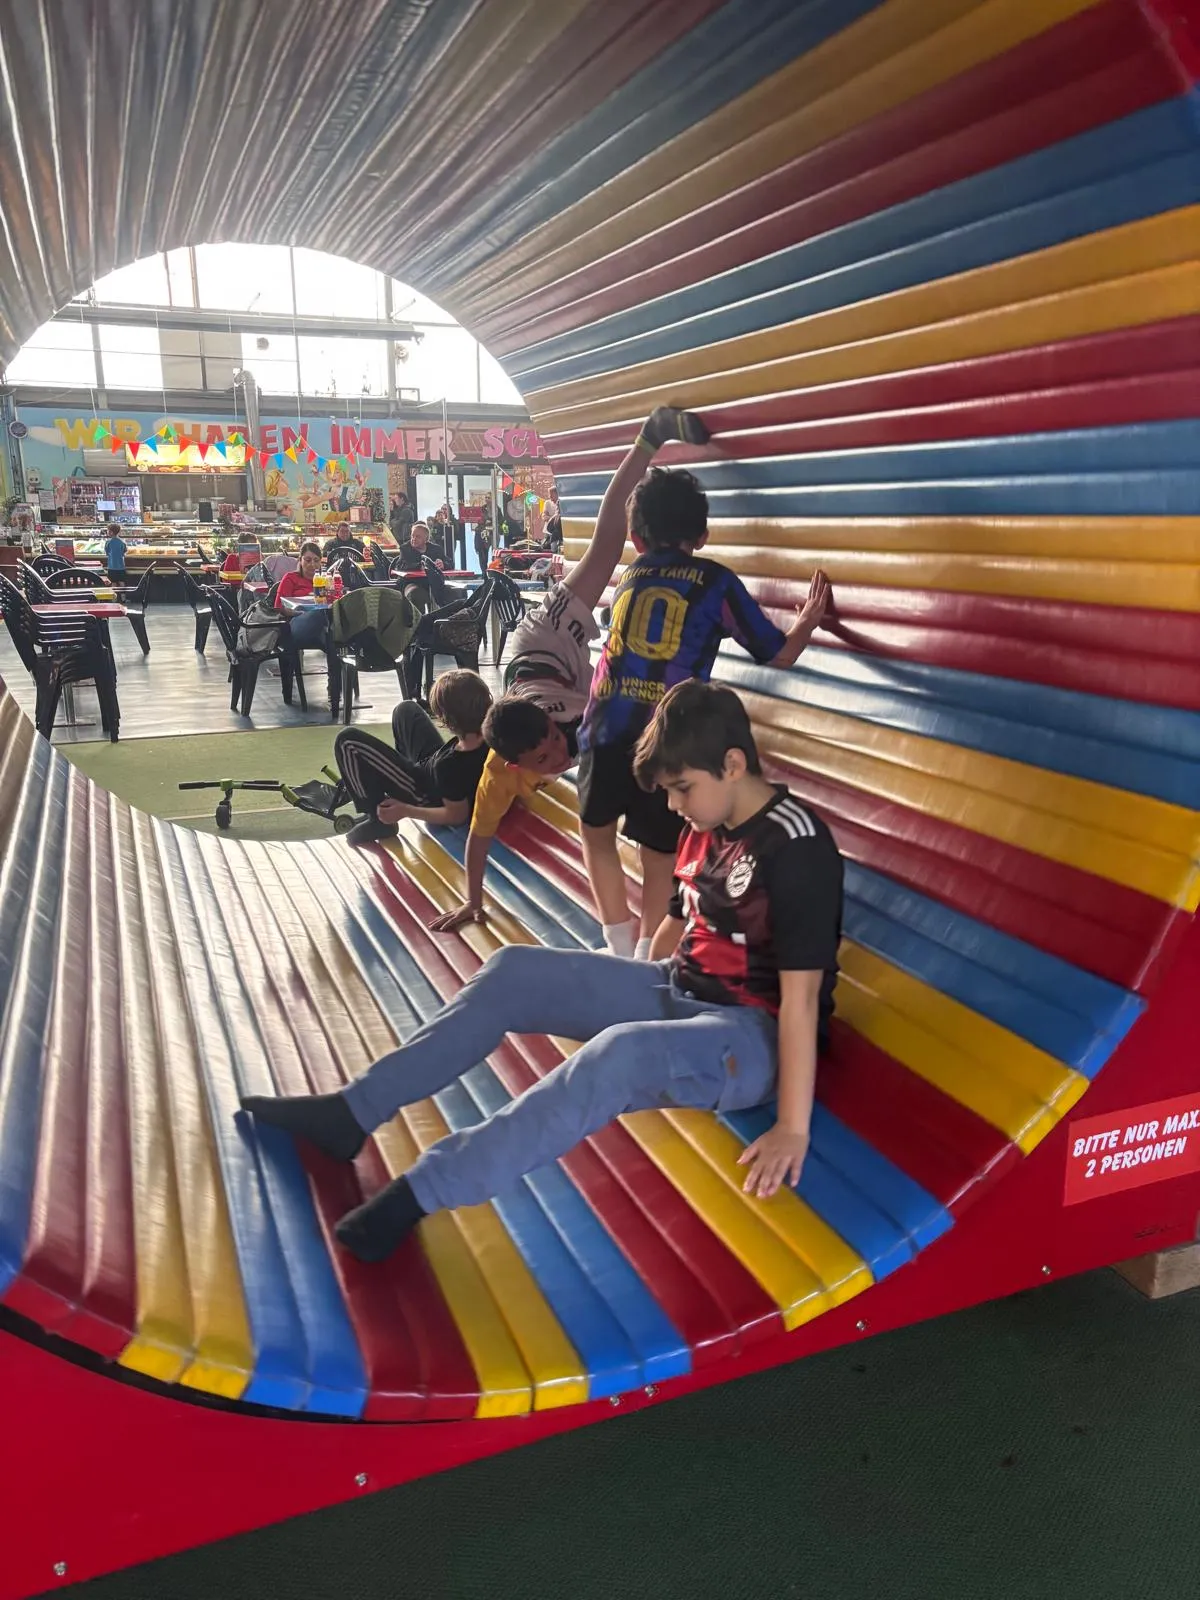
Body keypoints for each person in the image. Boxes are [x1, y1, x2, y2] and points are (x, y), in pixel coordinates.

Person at [239, 679, 844, 1263]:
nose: (673, 805)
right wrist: (634, 981)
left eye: (682, 789)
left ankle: (422, 1191)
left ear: (733, 765)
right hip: (681, 988)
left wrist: (792, 1127)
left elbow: (801, 999)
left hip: (753, 1036)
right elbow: (681, 925)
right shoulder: (707, 826)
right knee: (512, 971)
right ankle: (350, 1113)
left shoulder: (796, 847)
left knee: (621, 1053)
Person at [426, 405, 707, 934]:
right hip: (539, 681)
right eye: (546, 757)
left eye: (554, 747)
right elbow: (478, 836)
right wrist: (472, 901)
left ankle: (649, 439)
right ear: (514, 765)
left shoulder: (572, 717)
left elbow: (637, 711)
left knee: (605, 546)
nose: (558, 759)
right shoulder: (498, 771)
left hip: (541, 641)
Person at [579, 464, 831, 959]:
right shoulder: (714, 580)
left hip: (606, 725)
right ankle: (647, 952)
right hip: (667, 734)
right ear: (703, 534)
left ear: (635, 536)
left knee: (596, 831)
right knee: (660, 851)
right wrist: (806, 622)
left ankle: (616, 940)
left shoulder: (631, 575)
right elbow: (778, 654)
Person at [335, 669, 493, 847]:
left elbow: (456, 815)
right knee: (405, 709)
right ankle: (392, 782)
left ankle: (378, 819)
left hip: (422, 792)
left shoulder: (449, 765)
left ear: (447, 720)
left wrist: (405, 810)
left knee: (347, 741)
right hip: (432, 764)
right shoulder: (492, 740)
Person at [276, 540, 343, 649]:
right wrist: (299, 612)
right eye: (307, 560)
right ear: (300, 560)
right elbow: (279, 607)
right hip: (296, 622)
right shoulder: (290, 578)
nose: (312, 564)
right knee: (320, 613)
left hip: (325, 622)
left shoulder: (327, 580)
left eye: (316, 560)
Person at [103, 522, 128, 587]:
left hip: (112, 567)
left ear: (111, 532)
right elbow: (124, 551)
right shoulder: (122, 542)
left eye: (108, 530)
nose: (107, 532)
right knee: (122, 582)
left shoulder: (108, 542)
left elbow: (107, 552)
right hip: (121, 566)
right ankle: (123, 596)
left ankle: (114, 596)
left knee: (113, 582)